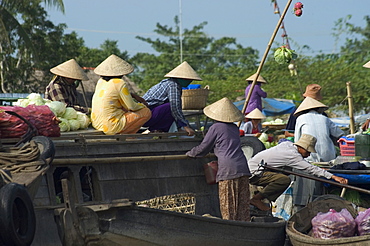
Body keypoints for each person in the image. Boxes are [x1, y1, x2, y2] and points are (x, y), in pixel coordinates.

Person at [186, 97, 251, 221]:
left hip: (228, 169)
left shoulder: (216, 127)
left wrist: (190, 153)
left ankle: (230, 233)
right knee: (242, 209)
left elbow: (203, 147)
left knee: (228, 209)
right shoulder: (234, 128)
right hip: (242, 166)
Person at [247, 134, 348, 211]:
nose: (308, 155)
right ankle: (257, 198)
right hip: (255, 172)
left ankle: (265, 197)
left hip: (257, 168)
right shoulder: (292, 155)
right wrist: (334, 177)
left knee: (288, 170)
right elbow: (310, 169)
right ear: (301, 148)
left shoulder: (288, 145)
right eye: (307, 152)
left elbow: (307, 165)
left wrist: (324, 171)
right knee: (284, 180)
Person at [91, 54, 151, 135]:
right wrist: (143, 105)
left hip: (97, 123)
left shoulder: (100, 81)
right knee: (146, 112)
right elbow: (131, 107)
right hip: (111, 126)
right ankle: (129, 135)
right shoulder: (120, 83)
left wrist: (132, 95)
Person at [142, 61, 201, 135]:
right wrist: (185, 126)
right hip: (145, 115)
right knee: (170, 106)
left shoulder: (174, 85)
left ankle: (158, 129)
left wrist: (180, 127)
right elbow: (175, 107)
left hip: (149, 114)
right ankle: (157, 129)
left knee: (171, 108)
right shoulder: (173, 85)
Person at [294, 97, 344, 162]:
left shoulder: (300, 118)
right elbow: (339, 134)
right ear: (318, 109)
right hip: (328, 156)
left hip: (309, 156)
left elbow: (297, 139)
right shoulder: (324, 118)